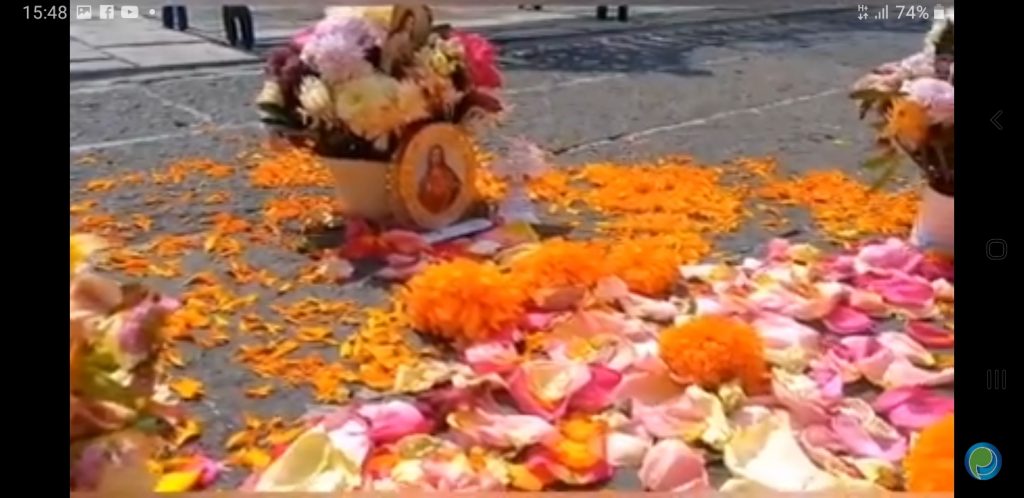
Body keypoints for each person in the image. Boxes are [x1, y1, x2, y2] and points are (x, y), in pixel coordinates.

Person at [418, 145, 462, 214]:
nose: (436, 157)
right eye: (434, 155)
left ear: (442, 157)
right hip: (431, 203)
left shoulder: (447, 171)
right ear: (430, 156)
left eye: (438, 155)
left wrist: (451, 185)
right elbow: (422, 190)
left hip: (444, 202)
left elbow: (457, 185)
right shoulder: (427, 173)